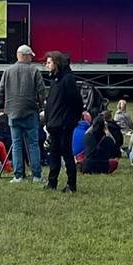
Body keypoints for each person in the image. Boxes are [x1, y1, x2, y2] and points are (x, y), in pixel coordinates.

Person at [0, 45, 46, 184]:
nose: (31, 59)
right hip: (30, 112)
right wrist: (41, 106)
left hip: (12, 113)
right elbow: (41, 92)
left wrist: (5, 106)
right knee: (33, 144)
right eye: (30, 56)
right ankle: (36, 175)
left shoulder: (7, 71)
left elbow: (0, 92)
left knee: (16, 144)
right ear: (25, 55)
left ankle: (18, 176)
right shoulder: (34, 71)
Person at [44, 51, 82, 192]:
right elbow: (51, 103)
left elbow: (76, 102)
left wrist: (71, 119)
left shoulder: (67, 79)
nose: (47, 65)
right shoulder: (55, 80)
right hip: (54, 123)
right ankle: (52, 182)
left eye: (49, 62)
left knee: (66, 153)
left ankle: (71, 184)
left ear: (57, 63)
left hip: (64, 124)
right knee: (54, 153)